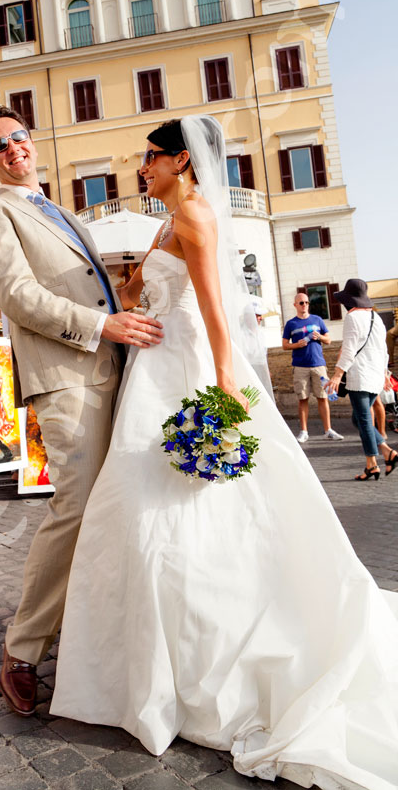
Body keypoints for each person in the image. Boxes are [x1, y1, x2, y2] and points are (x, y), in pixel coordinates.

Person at [50, 117, 398, 789]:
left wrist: (223, 390)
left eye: (150, 159)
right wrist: (131, 295)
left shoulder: (199, 217)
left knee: (182, 520)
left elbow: (215, 312)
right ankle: (141, 666)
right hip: (149, 377)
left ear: (181, 160)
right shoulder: (163, 222)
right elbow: (151, 292)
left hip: (189, 374)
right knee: (138, 519)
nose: (140, 169)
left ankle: (195, 661)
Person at [0, 106, 163, 717]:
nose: (14, 148)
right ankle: (21, 651)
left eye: (19, 137)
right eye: (0, 145)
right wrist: (103, 322)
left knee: (121, 501)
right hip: (64, 379)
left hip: (117, 366)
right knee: (75, 506)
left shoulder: (66, 214)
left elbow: (97, 290)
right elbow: (21, 298)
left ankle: (96, 629)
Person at [325, 279, 398, 481]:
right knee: (358, 418)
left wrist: (338, 374)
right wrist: (384, 374)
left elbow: (348, 350)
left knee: (364, 421)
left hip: (359, 376)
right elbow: (384, 351)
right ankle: (386, 451)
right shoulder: (376, 317)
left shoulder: (352, 318)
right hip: (375, 376)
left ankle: (371, 465)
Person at [282, 294, 343, 443]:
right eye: (301, 303)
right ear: (295, 304)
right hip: (300, 366)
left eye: (307, 302)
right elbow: (284, 345)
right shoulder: (291, 324)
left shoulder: (318, 320)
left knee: (323, 398)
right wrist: (297, 345)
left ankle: (328, 430)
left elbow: (328, 340)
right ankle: (304, 431)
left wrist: (320, 337)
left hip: (319, 365)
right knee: (303, 399)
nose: (304, 305)